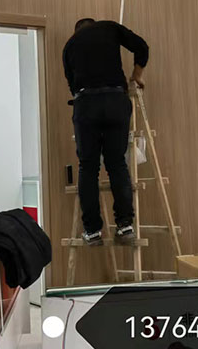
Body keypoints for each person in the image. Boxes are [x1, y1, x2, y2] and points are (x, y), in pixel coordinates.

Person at [62, 18, 149, 246]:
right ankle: (125, 225)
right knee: (117, 163)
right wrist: (136, 75)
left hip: (86, 104)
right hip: (115, 100)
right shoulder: (110, 27)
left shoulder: (70, 46)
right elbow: (142, 47)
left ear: (77, 31)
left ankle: (92, 232)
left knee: (88, 167)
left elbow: (72, 86)